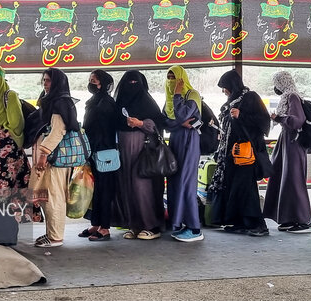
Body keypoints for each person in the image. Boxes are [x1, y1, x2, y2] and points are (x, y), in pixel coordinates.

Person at [208, 69, 271, 237]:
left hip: (245, 153)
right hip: (231, 153)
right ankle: (239, 222)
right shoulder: (231, 101)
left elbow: (263, 122)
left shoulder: (250, 98)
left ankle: (257, 224)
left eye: (225, 87)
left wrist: (241, 115)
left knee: (246, 188)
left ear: (232, 85)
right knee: (234, 188)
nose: (224, 91)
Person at [0, 65, 37, 221]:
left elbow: (16, 123)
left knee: (3, 182)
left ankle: (4, 219)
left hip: (8, 147)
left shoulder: (9, 96)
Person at [29, 68, 79, 247]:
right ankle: (51, 233)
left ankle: (56, 237)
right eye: (43, 80)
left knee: (53, 196)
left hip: (53, 158)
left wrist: (43, 154)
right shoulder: (54, 101)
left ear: (57, 82)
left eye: (48, 81)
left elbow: (57, 131)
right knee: (46, 195)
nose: (45, 84)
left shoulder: (60, 103)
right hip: (51, 156)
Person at [113, 70, 166, 240]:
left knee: (142, 187)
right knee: (127, 187)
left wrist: (141, 123)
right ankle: (134, 225)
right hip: (124, 151)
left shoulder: (147, 102)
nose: (132, 86)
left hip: (143, 153)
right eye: (129, 82)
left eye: (136, 82)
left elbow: (158, 123)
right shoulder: (119, 102)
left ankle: (152, 225)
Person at [263, 71, 311, 233]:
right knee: (285, 180)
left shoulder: (292, 97)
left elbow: (297, 121)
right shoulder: (289, 96)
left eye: (277, 82)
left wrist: (279, 118)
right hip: (288, 142)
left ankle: (302, 220)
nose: (275, 86)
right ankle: (289, 218)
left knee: (294, 180)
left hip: (293, 143)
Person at [163, 66, 204, 242]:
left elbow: (180, 115)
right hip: (176, 141)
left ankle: (195, 229)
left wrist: (178, 94)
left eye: (175, 78)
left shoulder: (192, 95)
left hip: (189, 141)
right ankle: (179, 222)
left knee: (186, 183)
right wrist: (179, 123)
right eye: (169, 77)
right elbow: (166, 122)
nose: (172, 81)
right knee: (175, 182)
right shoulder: (169, 99)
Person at [80, 70, 121, 241]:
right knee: (96, 190)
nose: (91, 83)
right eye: (90, 80)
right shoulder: (94, 101)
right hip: (94, 151)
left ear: (103, 83)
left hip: (105, 152)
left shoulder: (107, 102)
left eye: (95, 80)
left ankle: (105, 228)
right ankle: (95, 224)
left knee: (105, 191)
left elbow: (105, 128)